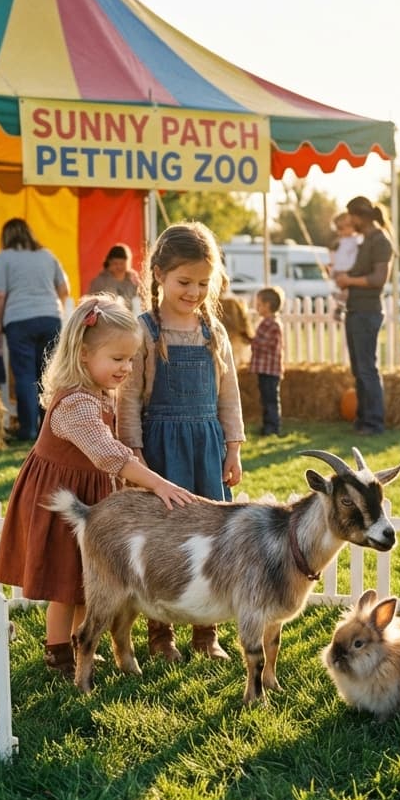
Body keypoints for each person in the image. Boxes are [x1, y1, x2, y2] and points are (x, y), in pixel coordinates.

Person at [0, 296, 196, 678]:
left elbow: (111, 454)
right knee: (63, 580)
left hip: (91, 496)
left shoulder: (100, 392)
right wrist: (156, 483)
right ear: (85, 354)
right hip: (61, 498)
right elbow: (107, 453)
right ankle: (57, 655)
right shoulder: (75, 403)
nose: (126, 367)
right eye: (117, 359)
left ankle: (79, 642)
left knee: (89, 578)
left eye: (131, 359)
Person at [118, 221, 245, 662]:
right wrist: (133, 452)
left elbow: (229, 395)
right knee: (164, 540)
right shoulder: (145, 332)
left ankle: (207, 635)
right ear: (159, 275)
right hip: (161, 449)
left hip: (207, 447)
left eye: (203, 283)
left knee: (212, 539)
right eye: (184, 282)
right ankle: (161, 634)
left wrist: (233, 447)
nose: (193, 292)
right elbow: (129, 398)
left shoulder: (214, 332)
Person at [0, 218, 70, 442]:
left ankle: (29, 430)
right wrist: (56, 309)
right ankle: (49, 429)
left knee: (25, 375)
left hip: (19, 320)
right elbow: (64, 289)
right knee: (48, 374)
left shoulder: (5, 257)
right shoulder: (47, 255)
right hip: (50, 318)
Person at [333, 196, 394, 436]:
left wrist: (348, 280)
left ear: (359, 216)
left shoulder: (380, 241)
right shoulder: (364, 241)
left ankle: (374, 422)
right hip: (356, 309)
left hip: (368, 312)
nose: (348, 221)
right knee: (359, 369)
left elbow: (379, 279)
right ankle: (362, 419)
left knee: (368, 369)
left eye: (350, 216)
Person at [249, 285, 285, 435]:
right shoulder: (268, 322)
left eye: (259, 305)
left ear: (267, 306)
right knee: (266, 398)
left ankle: (272, 427)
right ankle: (267, 425)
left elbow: (263, 344)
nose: (256, 308)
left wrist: (250, 339)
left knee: (270, 399)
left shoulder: (271, 324)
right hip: (266, 369)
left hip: (270, 370)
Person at [88, 243, 141, 309]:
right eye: (115, 264)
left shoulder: (134, 281)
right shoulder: (99, 282)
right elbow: (89, 304)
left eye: (122, 263)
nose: (119, 267)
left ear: (127, 263)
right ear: (109, 263)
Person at [216, 276, 255, 368]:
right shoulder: (236, 302)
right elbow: (244, 321)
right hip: (234, 339)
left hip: (220, 339)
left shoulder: (212, 303)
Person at [328, 210, 360, 321]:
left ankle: (340, 308)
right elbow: (337, 258)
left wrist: (347, 270)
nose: (339, 232)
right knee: (338, 291)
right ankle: (340, 307)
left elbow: (353, 257)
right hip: (339, 270)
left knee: (346, 291)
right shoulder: (340, 242)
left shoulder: (356, 240)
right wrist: (333, 270)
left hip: (348, 270)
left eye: (341, 228)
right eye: (337, 229)